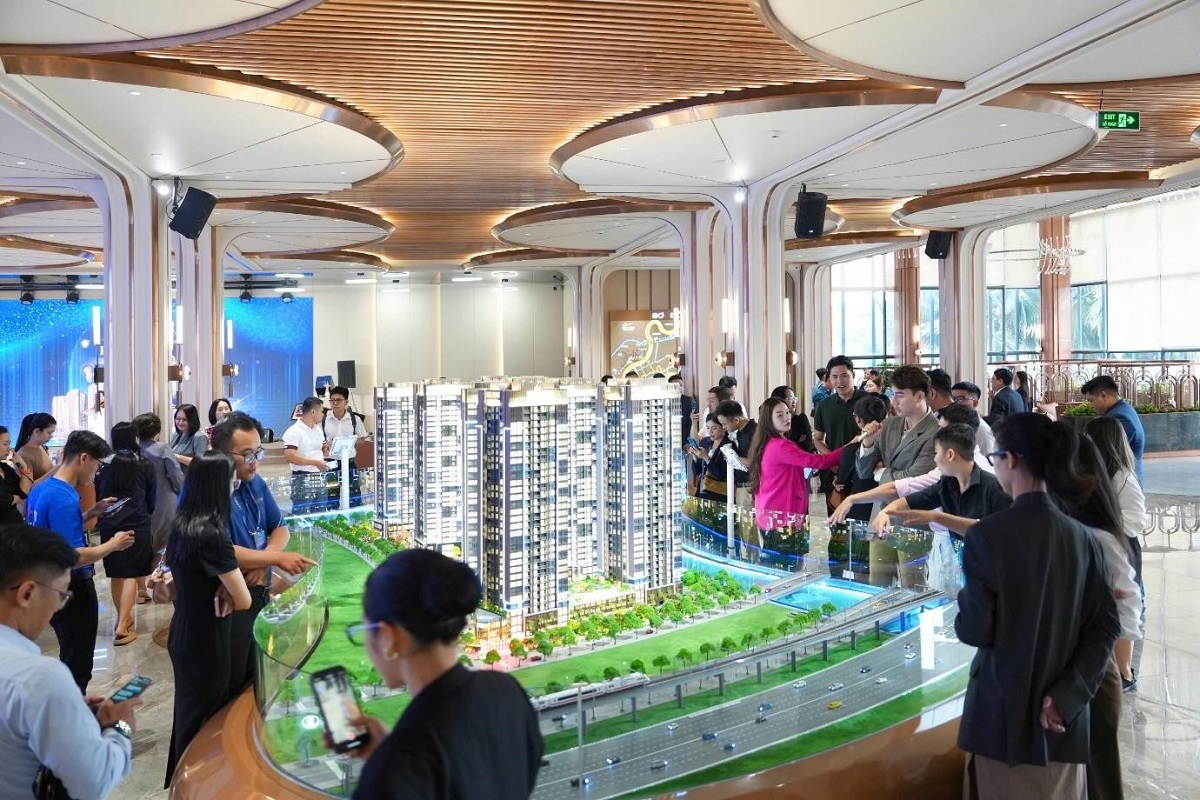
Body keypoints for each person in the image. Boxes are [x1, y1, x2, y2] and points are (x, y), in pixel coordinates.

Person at [956, 414, 1119, 800]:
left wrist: (961, 595)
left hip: (1001, 719)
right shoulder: (1084, 538)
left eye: (995, 457)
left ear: (1011, 459)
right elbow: (1105, 628)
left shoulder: (987, 536)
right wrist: (1067, 696)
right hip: (1062, 725)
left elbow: (976, 629)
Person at [337, 548, 543, 799]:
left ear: (389, 637)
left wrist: (389, 760)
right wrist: (389, 752)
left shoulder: (396, 766)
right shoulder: (506, 690)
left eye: (364, 631)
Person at [0, 524, 140, 800]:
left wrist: (65, 710)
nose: (57, 608)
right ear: (27, 594)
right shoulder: (40, 678)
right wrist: (119, 727)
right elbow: (92, 783)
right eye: (60, 595)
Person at [1053, 436, 1138, 800]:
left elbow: (1127, 606)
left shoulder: (1096, 537)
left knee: (1099, 778)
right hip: (1075, 670)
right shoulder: (1062, 529)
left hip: (1092, 673)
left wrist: (1117, 664)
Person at [163, 451, 252, 787]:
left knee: (187, 715)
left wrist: (224, 587)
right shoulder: (213, 534)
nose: (235, 486)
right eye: (232, 481)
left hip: (183, 631)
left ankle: (181, 783)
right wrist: (230, 589)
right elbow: (244, 599)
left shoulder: (182, 525)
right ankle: (197, 786)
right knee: (206, 722)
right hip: (208, 638)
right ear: (218, 485)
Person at [210, 412, 315, 695]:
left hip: (258, 591)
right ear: (221, 455)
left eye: (258, 452)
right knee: (227, 686)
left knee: (254, 676)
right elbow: (217, 548)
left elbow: (280, 528)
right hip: (227, 600)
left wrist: (265, 558)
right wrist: (274, 559)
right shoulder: (209, 490)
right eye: (247, 454)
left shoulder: (254, 482)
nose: (254, 461)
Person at [24, 430, 134, 691]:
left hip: (47, 585)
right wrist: (113, 544)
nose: (96, 473)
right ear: (83, 458)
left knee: (70, 652)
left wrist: (91, 512)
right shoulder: (63, 498)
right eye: (97, 465)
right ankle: (72, 710)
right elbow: (72, 556)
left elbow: (53, 534)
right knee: (78, 664)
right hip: (72, 588)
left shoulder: (43, 490)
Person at [1085, 415, 1148, 691]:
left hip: (1122, 548)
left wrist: (1105, 525)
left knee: (1122, 607)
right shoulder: (1096, 473)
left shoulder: (1123, 477)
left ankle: (1125, 672)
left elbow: (1137, 519)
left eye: (1090, 439)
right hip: (1103, 546)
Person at [870, 424, 1010, 537]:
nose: (935, 459)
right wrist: (885, 513)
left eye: (936, 452)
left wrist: (936, 517)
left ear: (950, 454)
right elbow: (908, 501)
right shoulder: (946, 484)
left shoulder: (995, 488)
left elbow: (989, 530)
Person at [747, 397, 845, 554]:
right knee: (788, 561)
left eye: (787, 413)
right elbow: (818, 461)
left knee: (779, 559)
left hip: (771, 513)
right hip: (783, 516)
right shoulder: (780, 445)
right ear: (768, 420)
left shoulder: (766, 442)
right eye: (779, 415)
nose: (786, 418)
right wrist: (848, 448)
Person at [95, 423, 157, 647]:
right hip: (137, 523)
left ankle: (123, 618)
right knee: (132, 572)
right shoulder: (144, 464)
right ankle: (122, 626)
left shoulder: (103, 466)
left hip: (109, 524)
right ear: (135, 438)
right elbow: (151, 498)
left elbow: (98, 494)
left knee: (117, 574)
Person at [855, 365, 939, 484]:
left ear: (919, 396)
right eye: (893, 394)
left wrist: (879, 472)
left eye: (900, 395)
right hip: (882, 496)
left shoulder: (938, 432)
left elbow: (914, 479)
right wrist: (868, 443)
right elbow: (863, 473)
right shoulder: (887, 424)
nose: (893, 402)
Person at [813, 355, 869, 513]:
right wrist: (831, 461)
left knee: (861, 517)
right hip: (834, 470)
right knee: (835, 516)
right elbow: (817, 439)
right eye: (835, 376)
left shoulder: (868, 401)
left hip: (863, 468)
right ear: (829, 378)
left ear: (853, 375)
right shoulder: (824, 405)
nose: (839, 381)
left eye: (844, 376)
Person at [828, 395, 889, 522]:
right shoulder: (891, 444)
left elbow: (842, 484)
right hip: (888, 509)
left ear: (858, 419)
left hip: (860, 510)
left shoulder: (851, 449)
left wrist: (838, 480)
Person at [1081, 375, 1146, 488]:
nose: (1092, 406)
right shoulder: (1122, 409)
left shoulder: (1120, 418)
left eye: (1091, 400)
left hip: (1123, 484)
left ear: (1103, 396)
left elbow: (1106, 453)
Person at [135, 412, 185, 556]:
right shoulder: (162, 448)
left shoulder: (135, 450)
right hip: (164, 499)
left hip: (141, 501)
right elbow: (176, 475)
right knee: (164, 544)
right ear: (157, 431)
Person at [284, 397, 332, 514]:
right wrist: (315, 462)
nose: (323, 415)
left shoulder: (318, 430)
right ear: (313, 412)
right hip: (302, 477)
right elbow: (290, 457)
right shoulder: (294, 431)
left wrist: (327, 449)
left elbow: (322, 450)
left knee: (320, 511)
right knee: (302, 513)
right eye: (322, 412)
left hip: (320, 475)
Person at [951, 381, 996, 455]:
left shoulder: (982, 431)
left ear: (975, 403)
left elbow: (987, 458)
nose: (954, 403)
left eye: (960, 399)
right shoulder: (952, 422)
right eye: (953, 399)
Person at [691, 414, 729, 501]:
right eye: (708, 428)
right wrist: (695, 456)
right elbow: (697, 471)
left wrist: (706, 457)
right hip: (702, 493)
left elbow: (720, 474)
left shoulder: (728, 446)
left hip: (718, 495)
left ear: (723, 427)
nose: (710, 432)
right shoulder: (706, 442)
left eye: (714, 428)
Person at [0, 425, 33, 523]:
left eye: (9, 444)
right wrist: (16, 497)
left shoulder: (6, 469)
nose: (9, 448)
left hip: (15, 524)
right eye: (5, 444)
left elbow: (24, 492)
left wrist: (23, 466)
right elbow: (4, 502)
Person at [770, 385, 815, 452]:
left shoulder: (801, 420)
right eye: (790, 399)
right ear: (779, 400)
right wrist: (797, 444)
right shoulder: (772, 423)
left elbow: (807, 447)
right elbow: (776, 450)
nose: (794, 402)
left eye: (794, 398)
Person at [15, 412, 56, 483]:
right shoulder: (24, 455)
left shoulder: (42, 447)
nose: (51, 436)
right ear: (37, 431)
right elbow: (29, 486)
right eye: (49, 433)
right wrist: (56, 468)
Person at [169, 404, 207, 468]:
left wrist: (177, 457)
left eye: (184, 419)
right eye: (178, 419)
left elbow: (201, 463)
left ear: (192, 420)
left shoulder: (199, 437)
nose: (180, 422)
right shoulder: (176, 434)